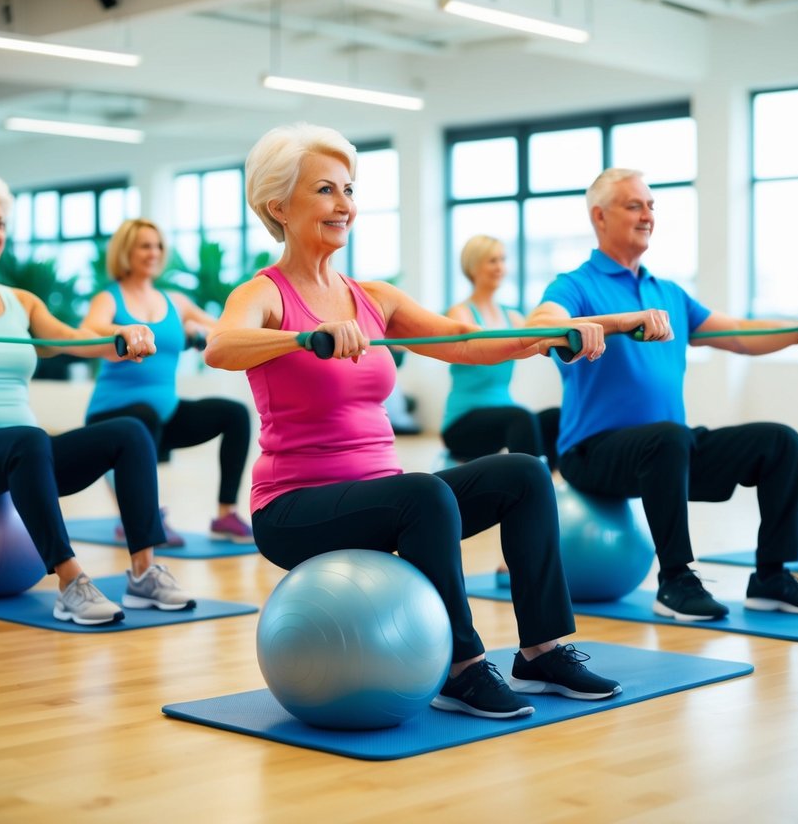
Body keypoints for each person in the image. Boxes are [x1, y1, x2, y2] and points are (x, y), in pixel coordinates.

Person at [205, 122, 617, 719]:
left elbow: (465, 339)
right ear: (278, 206)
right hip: (294, 510)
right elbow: (221, 347)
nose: (344, 204)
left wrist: (551, 336)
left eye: (349, 189)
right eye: (325, 190)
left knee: (524, 474)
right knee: (422, 494)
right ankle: (461, 666)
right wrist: (302, 337)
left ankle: (542, 649)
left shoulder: (372, 298)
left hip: (381, 499)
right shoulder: (264, 294)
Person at [0, 172, 195, 625]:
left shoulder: (20, 302)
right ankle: (70, 583)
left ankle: (143, 572)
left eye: (0, 224)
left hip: (24, 455)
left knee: (130, 432)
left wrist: (120, 337)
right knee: (28, 439)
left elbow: (73, 340)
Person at [528, 167, 798, 622]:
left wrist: (797, 330)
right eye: (634, 205)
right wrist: (616, 323)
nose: (647, 215)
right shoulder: (575, 285)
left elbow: (735, 333)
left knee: (780, 442)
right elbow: (541, 325)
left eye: (651, 206)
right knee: (669, 438)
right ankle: (675, 580)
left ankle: (771, 576)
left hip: (667, 451)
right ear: (599, 216)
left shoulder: (666, 292)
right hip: (592, 454)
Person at [82, 218, 253, 544]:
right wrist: (122, 331)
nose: (154, 253)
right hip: (112, 415)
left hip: (165, 414)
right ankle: (140, 515)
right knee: (144, 416)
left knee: (234, 413)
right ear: (126, 252)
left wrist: (204, 332)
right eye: (145, 245)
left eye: (158, 246)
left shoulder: (175, 301)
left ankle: (225, 515)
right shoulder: (110, 298)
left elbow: (223, 328)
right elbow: (90, 329)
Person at [442, 234, 560, 471]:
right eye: (492, 261)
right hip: (463, 422)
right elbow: (477, 350)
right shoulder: (460, 313)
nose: (500, 268)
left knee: (555, 418)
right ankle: (532, 485)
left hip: (505, 416)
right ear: (473, 267)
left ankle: (549, 483)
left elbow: (542, 339)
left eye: (503, 260)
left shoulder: (512, 316)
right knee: (520, 417)